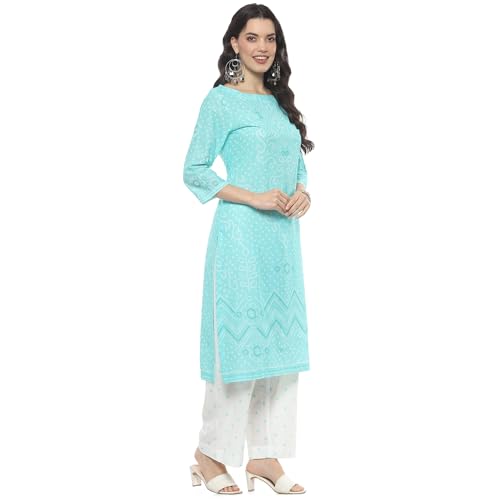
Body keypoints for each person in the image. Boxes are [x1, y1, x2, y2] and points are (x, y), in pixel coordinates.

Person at [183, 3, 314, 495]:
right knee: (237, 347)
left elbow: (295, 163)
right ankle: (210, 454)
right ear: (234, 43)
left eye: (270, 38)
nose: (262, 47)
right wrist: (253, 196)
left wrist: (303, 191)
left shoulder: (280, 104)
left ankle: (264, 454)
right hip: (240, 239)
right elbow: (195, 169)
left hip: (282, 241)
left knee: (279, 349)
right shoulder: (221, 101)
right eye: (252, 37)